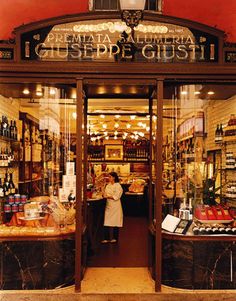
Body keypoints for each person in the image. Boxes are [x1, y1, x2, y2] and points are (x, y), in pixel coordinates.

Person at [102, 172, 123, 243]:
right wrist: (103, 188)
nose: (109, 178)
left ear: (114, 177)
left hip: (116, 206)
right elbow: (104, 193)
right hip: (109, 205)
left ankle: (115, 238)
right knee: (106, 221)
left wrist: (108, 196)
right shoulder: (108, 185)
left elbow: (116, 196)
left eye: (110, 177)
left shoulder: (118, 186)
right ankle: (106, 238)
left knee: (115, 222)